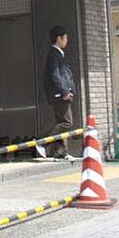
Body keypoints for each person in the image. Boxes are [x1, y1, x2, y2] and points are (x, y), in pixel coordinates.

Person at [44, 25, 76, 159]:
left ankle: (61, 152)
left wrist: (70, 89)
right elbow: (55, 75)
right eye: (65, 38)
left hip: (63, 93)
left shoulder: (58, 54)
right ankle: (43, 142)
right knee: (67, 123)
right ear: (59, 38)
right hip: (60, 95)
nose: (67, 41)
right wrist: (64, 92)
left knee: (61, 122)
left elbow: (64, 74)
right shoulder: (54, 54)